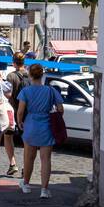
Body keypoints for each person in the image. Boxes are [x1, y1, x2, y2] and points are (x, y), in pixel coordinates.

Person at [16, 62, 65, 199]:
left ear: (30, 75)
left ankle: (26, 184)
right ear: (42, 75)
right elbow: (60, 109)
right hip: (47, 125)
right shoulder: (50, 90)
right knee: (46, 159)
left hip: (31, 124)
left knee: (29, 158)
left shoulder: (25, 91)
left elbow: (20, 111)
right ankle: (44, 189)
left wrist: (20, 122)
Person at [0, 52, 30, 177]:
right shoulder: (30, 75)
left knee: (8, 137)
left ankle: (13, 164)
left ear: (13, 62)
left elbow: (8, 94)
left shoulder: (11, 76)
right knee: (26, 141)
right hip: (27, 112)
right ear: (24, 62)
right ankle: (25, 166)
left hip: (12, 110)